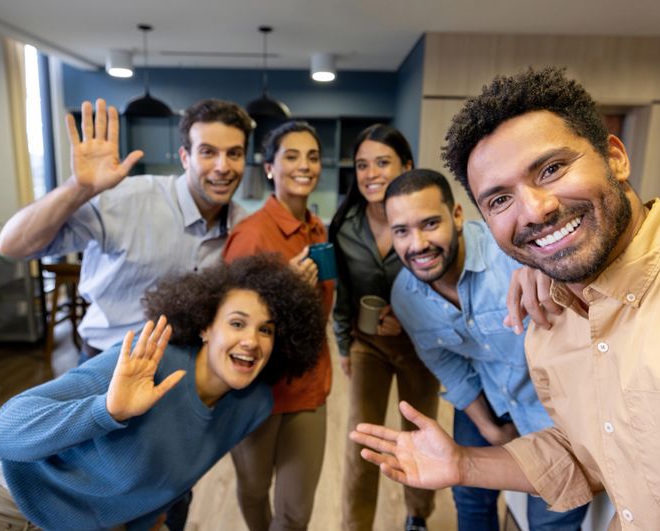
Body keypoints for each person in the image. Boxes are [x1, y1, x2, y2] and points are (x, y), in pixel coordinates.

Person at [352, 67, 660, 530]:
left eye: (552, 169)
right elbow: (585, 453)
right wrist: (464, 463)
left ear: (616, 157)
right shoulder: (548, 327)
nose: (536, 209)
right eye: (500, 200)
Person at [0, 254, 326, 530]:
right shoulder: (151, 362)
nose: (252, 341)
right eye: (238, 323)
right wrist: (107, 410)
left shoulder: (252, 404)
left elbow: (167, 481)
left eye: (267, 330)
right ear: (207, 327)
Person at [385, 169, 587, 530]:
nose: (416, 244)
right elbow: (448, 366)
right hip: (490, 392)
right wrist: (489, 428)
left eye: (430, 224)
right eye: (402, 231)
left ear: (457, 216)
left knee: (555, 510)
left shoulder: (514, 254)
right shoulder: (405, 296)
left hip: (556, 404)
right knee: (469, 497)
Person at [0, 97, 253, 360]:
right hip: (107, 363)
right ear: (185, 157)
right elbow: (13, 245)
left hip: (189, 367)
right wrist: (78, 187)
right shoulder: (126, 199)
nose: (223, 167)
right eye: (208, 152)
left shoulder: (244, 225)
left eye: (234, 153)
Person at [222, 121, 334, 531]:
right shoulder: (250, 236)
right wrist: (281, 289)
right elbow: (230, 325)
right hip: (256, 392)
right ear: (269, 167)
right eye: (291, 156)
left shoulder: (319, 230)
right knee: (254, 491)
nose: (304, 166)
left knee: (294, 513)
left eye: (312, 156)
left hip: (307, 386)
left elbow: (323, 309)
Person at [328, 124, 440, 531]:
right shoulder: (344, 227)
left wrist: (410, 319)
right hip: (367, 347)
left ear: (406, 167)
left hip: (421, 346)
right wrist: (343, 345)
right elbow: (342, 294)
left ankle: (417, 516)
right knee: (362, 441)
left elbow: (446, 285)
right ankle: (354, 526)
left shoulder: (424, 224)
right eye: (362, 165)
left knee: (420, 434)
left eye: (382, 163)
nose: (370, 173)